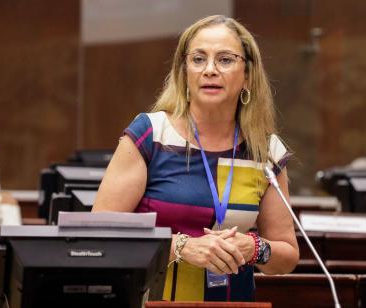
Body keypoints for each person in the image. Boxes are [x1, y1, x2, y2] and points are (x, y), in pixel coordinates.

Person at [92, 15, 299, 302]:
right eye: (198, 59)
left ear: (248, 75)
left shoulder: (265, 152)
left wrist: (253, 248)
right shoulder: (152, 135)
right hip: (152, 301)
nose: (210, 70)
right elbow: (100, 233)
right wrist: (180, 246)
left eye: (225, 60)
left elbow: (287, 255)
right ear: (184, 72)